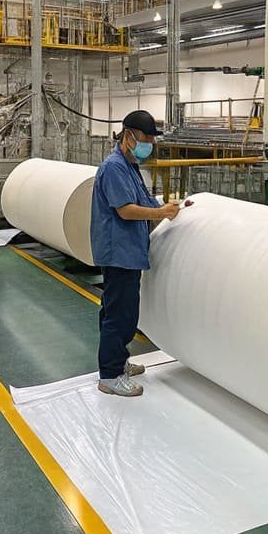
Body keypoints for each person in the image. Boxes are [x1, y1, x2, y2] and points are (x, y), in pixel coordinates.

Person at [90, 110, 180, 397]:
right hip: (118, 252)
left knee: (117, 310)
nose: (149, 144)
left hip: (127, 251)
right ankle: (109, 376)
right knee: (121, 314)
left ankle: (118, 362)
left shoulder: (129, 165)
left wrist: (169, 208)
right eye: (145, 139)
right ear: (128, 135)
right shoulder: (114, 167)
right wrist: (159, 213)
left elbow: (143, 200)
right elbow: (126, 210)